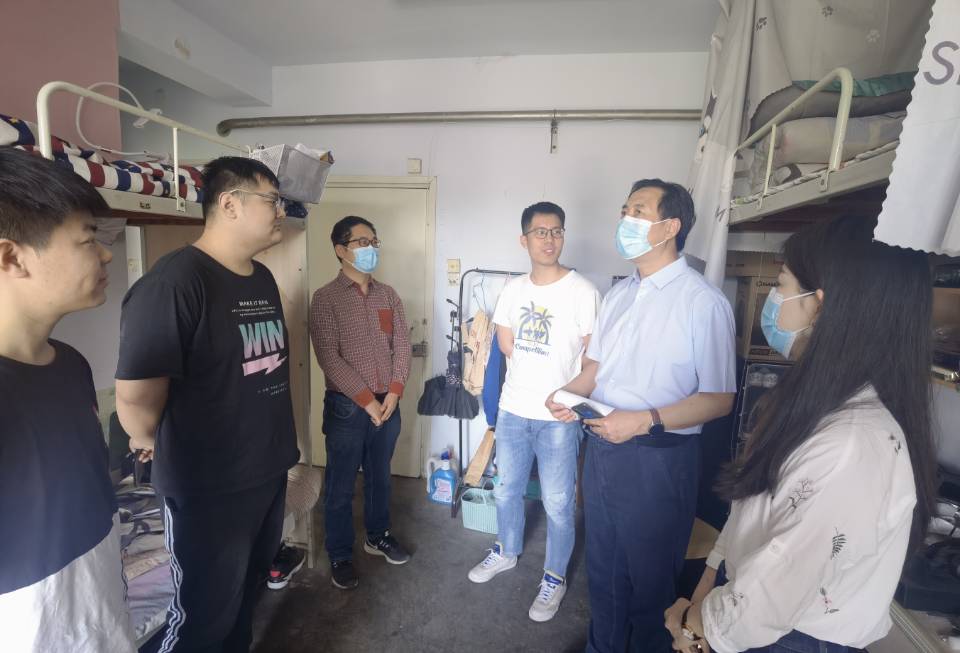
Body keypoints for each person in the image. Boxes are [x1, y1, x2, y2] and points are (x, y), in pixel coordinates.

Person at [664, 216, 937, 653]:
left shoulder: (849, 444)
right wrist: (711, 576)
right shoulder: (814, 406)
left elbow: (776, 589)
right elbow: (756, 511)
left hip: (789, 635)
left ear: (821, 305)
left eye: (782, 285)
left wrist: (696, 631)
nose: (772, 301)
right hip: (751, 607)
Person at [115, 157, 299, 653]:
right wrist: (167, 447)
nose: (281, 211)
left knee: (245, 597)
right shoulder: (175, 284)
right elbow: (134, 400)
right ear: (230, 204)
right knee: (202, 618)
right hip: (209, 485)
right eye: (273, 200)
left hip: (265, 469)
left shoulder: (261, 278)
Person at [546, 179, 736, 652]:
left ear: (671, 227)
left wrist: (642, 419)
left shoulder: (703, 302)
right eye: (625, 209)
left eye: (638, 210)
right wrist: (568, 393)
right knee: (603, 572)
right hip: (602, 447)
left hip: (658, 459)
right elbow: (595, 369)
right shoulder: (619, 295)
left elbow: (719, 398)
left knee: (651, 583)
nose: (625, 219)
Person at [0, 148, 136, 652]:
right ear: (11, 257)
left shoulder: (71, 364)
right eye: (87, 239)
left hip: (98, 599)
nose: (106, 254)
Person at [467, 201, 601, 622]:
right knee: (506, 489)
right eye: (541, 232)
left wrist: (571, 400)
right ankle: (506, 550)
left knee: (558, 503)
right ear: (523, 240)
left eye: (557, 231)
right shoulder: (513, 290)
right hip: (513, 410)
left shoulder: (583, 291)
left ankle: (554, 577)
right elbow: (506, 345)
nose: (550, 239)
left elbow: (594, 360)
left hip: (558, 418)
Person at [310, 215, 412, 590]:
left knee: (380, 477)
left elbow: (402, 345)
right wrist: (368, 401)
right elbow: (329, 358)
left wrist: (395, 392)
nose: (371, 248)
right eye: (362, 242)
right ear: (341, 250)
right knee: (340, 484)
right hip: (348, 408)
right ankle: (339, 553)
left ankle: (377, 535)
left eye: (374, 241)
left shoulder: (388, 296)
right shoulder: (325, 299)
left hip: (389, 404)